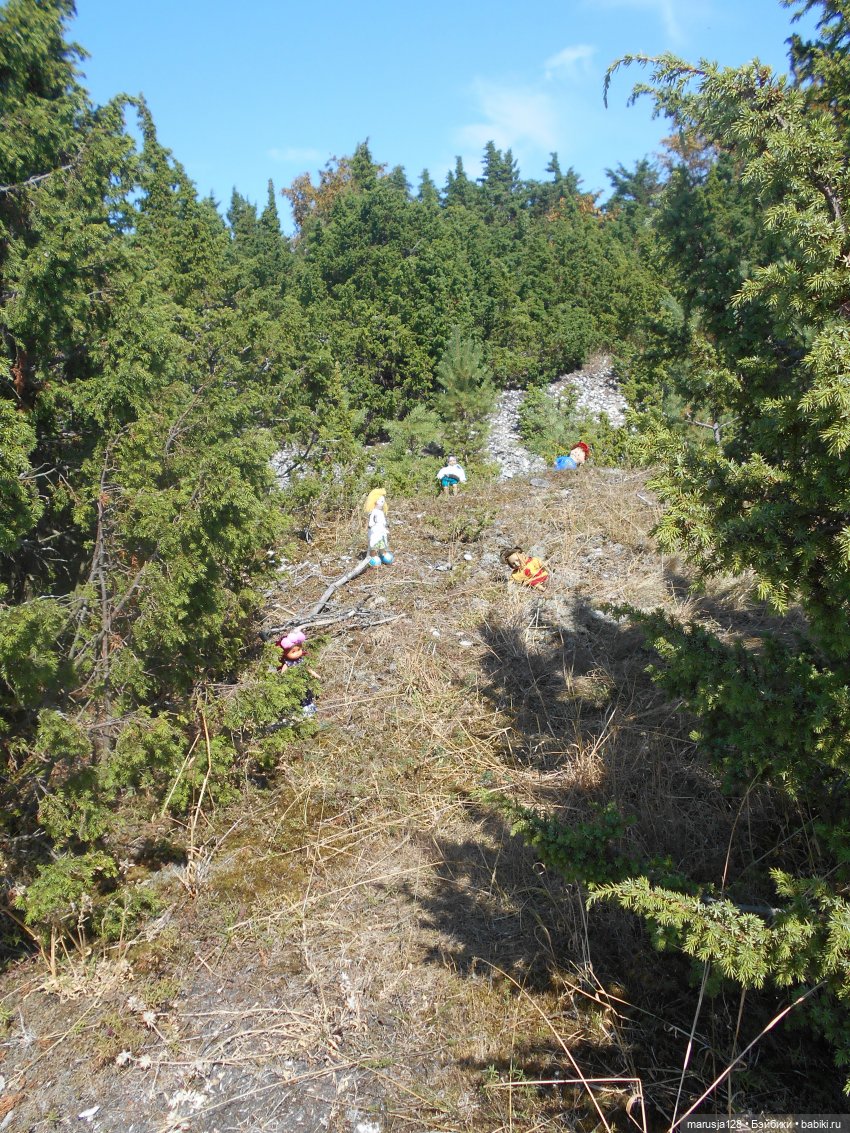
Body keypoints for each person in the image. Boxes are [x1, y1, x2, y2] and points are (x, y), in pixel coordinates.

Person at [275, 629, 320, 715]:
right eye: (293, 651)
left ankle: (308, 710)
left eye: (299, 649)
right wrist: (282, 681)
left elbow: (308, 668)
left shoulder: (301, 660)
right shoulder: (288, 663)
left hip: (303, 683)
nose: (297, 653)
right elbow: (283, 673)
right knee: (295, 697)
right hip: (292, 683)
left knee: (306, 695)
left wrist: (314, 674)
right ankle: (294, 711)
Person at [363, 488, 394, 567]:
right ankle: (372, 556)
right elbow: (371, 522)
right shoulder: (373, 512)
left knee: (382, 543)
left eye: (383, 501)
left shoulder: (380, 512)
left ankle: (382, 554)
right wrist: (371, 525)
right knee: (374, 544)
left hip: (381, 531)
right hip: (375, 531)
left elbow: (382, 521)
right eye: (380, 501)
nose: (382, 503)